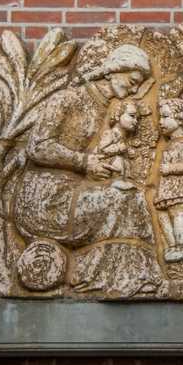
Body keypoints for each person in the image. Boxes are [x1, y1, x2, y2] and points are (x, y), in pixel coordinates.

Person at [14, 44, 155, 247]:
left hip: (75, 190)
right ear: (113, 71)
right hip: (44, 199)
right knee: (124, 201)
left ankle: (121, 262)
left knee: (133, 198)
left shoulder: (106, 108)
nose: (134, 90)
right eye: (132, 82)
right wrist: (85, 162)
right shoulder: (68, 99)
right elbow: (38, 147)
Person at [154, 98, 183, 263]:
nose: (161, 122)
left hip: (181, 186)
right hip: (169, 187)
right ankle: (174, 247)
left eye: (165, 116)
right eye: (160, 117)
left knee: (180, 214)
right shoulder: (172, 144)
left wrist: (169, 168)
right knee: (166, 215)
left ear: (180, 119)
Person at [91, 99, 139, 191]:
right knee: (118, 160)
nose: (135, 121)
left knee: (125, 162)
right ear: (117, 116)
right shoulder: (110, 133)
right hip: (103, 160)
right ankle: (117, 181)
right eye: (132, 116)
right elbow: (102, 149)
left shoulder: (122, 137)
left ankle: (124, 180)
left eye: (137, 118)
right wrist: (119, 148)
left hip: (111, 159)